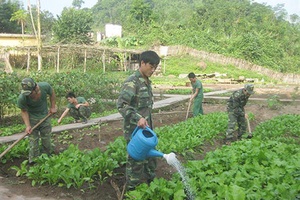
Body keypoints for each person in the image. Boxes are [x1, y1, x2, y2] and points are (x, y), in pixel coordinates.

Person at [117, 50, 160, 191]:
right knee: (136, 161)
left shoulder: (146, 82)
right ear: (142, 63)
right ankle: (131, 191)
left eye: (155, 67)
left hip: (147, 130)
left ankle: (152, 187)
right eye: (151, 66)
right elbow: (122, 105)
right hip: (135, 131)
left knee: (151, 160)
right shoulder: (132, 82)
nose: (153, 70)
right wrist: (138, 117)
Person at [17, 77, 57, 164]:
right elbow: (24, 111)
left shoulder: (45, 86)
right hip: (32, 119)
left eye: (30, 93)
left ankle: (47, 159)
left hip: (45, 117)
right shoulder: (22, 98)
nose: (28, 95)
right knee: (33, 141)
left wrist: (53, 106)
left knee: (46, 140)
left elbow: (52, 93)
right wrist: (28, 125)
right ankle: (33, 162)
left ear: (36, 88)